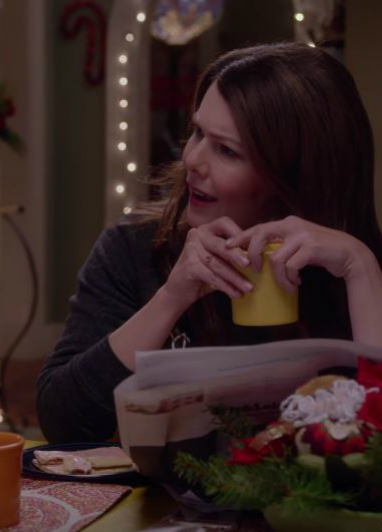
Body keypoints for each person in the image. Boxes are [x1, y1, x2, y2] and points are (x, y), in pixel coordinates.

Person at [37, 42, 382, 444]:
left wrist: (362, 267)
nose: (193, 160)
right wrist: (170, 298)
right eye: (198, 133)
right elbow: (63, 423)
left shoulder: (354, 267)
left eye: (227, 151)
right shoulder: (133, 247)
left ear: (296, 175)